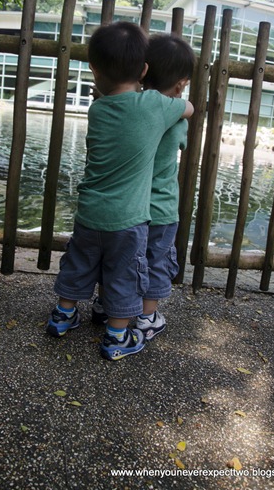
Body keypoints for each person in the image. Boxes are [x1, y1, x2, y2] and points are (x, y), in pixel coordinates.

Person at [46, 22, 194, 361]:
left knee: (81, 263)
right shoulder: (155, 107)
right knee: (125, 272)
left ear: (94, 70)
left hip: (90, 212)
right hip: (130, 218)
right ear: (142, 71)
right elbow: (188, 109)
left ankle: (63, 314)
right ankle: (116, 337)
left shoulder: (97, 109)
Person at [92, 34, 195, 342]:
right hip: (160, 208)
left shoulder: (125, 110)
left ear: (142, 71)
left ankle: (106, 304)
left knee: (118, 259)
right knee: (155, 262)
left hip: (128, 207)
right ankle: (147, 318)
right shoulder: (175, 118)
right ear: (180, 84)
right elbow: (182, 138)